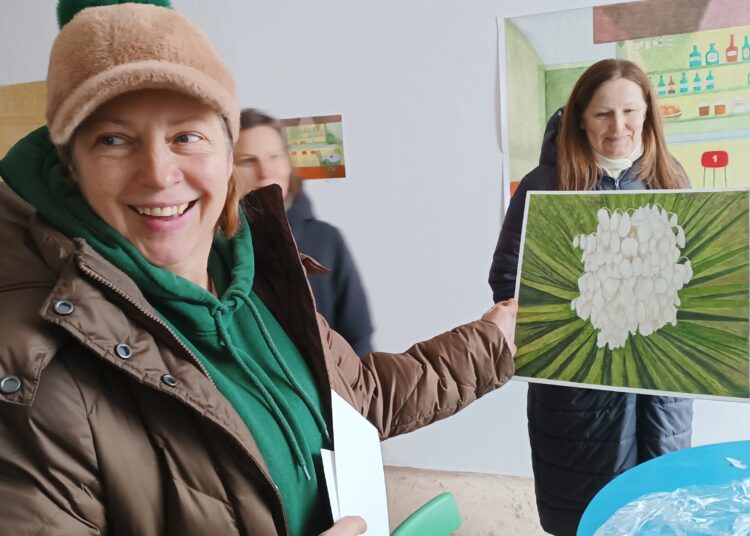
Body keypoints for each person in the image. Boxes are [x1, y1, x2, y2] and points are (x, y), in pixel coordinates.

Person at [0, 1, 517, 535]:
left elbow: (359, 398)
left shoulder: (257, 283)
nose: (158, 173)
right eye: (113, 139)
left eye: (186, 136)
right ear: (71, 167)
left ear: (227, 155)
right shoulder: (32, 370)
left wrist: (493, 340)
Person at [489, 59, 693, 535]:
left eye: (630, 112)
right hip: (578, 395)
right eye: (603, 114)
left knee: (657, 518)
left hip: (662, 393)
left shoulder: (671, 178)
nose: (618, 127)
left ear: (648, 115)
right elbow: (507, 279)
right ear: (580, 116)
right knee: (587, 519)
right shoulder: (544, 185)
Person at [234, 109, 374, 355]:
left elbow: (358, 338)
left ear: (289, 162)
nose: (265, 171)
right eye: (247, 160)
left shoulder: (327, 239)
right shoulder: (209, 245)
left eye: (275, 156)